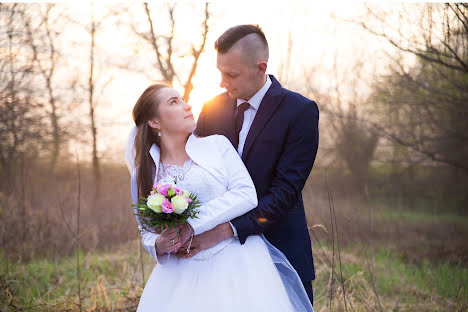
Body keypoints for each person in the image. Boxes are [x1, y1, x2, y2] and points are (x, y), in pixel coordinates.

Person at [126, 84, 314, 311]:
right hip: (180, 273)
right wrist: (157, 243)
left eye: (183, 99)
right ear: (155, 122)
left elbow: (246, 194)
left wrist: (191, 225)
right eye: (174, 102)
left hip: (237, 262)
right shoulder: (144, 174)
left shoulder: (217, 145)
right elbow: (145, 230)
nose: (187, 105)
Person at [190, 24, 319, 305]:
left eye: (231, 74)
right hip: (217, 259)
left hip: (280, 249)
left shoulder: (300, 112)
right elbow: (194, 171)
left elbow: (285, 192)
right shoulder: (211, 109)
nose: (223, 82)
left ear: (261, 68)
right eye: (220, 72)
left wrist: (227, 230)